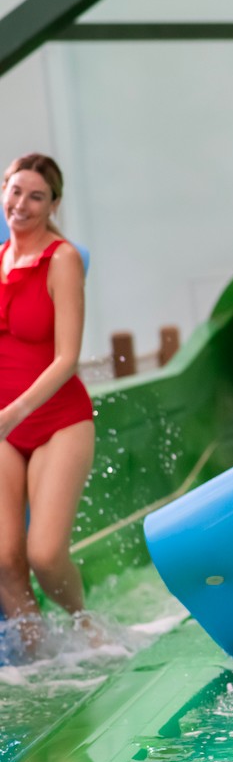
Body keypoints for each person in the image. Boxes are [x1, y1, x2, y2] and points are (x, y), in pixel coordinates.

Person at [0, 153, 96, 658]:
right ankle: (42, 662)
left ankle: (86, 627)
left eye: (36, 196)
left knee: (44, 554)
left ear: (53, 204)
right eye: (15, 191)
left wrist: (12, 414)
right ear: (3, 191)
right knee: (4, 559)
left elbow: (67, 358)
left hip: (57, 421)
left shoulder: (62, 260)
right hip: (3, 430)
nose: (22, 204)